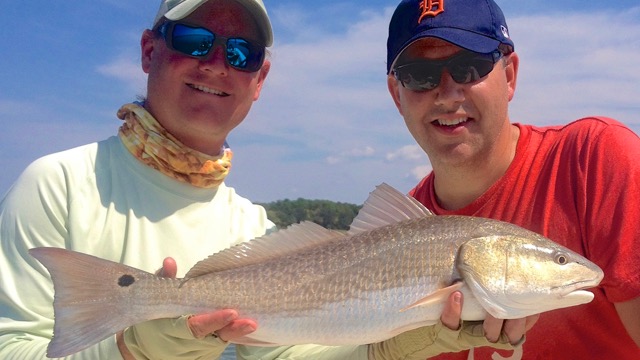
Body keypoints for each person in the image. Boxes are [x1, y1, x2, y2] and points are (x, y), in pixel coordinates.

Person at [0, 0, 529, 359]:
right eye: (193, 39)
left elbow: (289, 353)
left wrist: (398, 343)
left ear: (260, 80)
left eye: (241, 53)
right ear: (147, 50)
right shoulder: (58, 183)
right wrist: (129, 348)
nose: (216, 65)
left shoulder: (248, 224)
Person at [385, 0, 640, 358]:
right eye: (418, 75)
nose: (447, 93)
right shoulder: (398, 230)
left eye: (469, 67)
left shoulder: (594, 161)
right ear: (397, 95)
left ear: (509, 76)